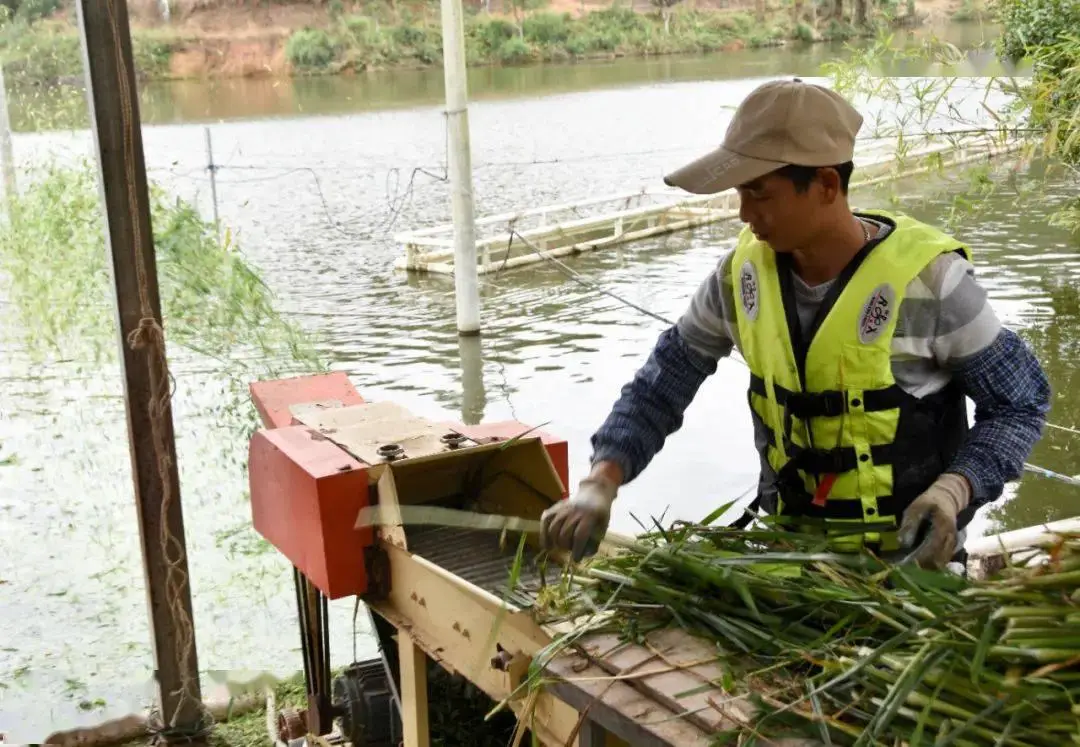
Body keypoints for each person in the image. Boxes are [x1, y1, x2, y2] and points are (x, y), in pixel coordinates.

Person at [539, 78, 1051, 569]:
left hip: (907, 570)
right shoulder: (739, 279)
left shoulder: (932, 283)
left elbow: (1019, 403)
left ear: (826, 184)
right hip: (790, 560)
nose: (743, 213)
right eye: (741, 192)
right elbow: (664, 381)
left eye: (760, 193)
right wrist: (600, 481)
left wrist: (955, 488)